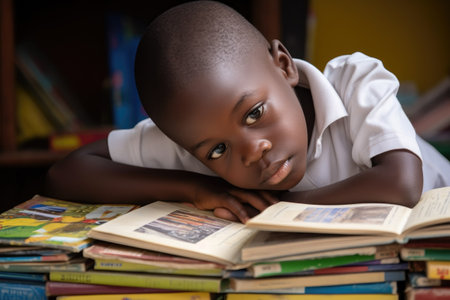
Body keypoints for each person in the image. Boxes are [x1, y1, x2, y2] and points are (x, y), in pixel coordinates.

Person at [45, 1, 450, 223]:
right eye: (216, 152)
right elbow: (68, 170)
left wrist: (280, 209)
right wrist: (196, 189)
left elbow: (401, 183)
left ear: (283, 65)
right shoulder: (196, 131)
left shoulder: (355, 81)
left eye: (254, 114)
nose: (251, 151)